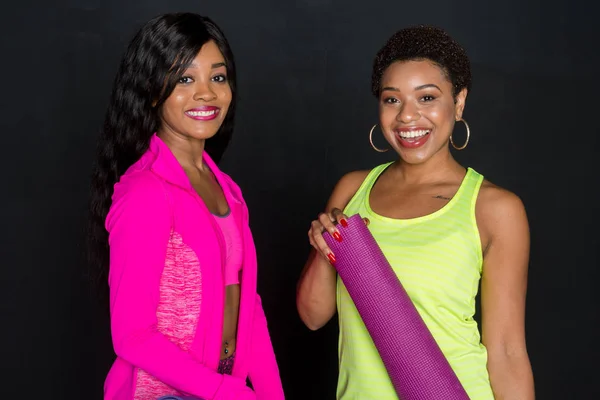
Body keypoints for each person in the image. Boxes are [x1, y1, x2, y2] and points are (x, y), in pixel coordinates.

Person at [296, 25, 534, 399]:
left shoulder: (494, 208)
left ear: (458, 103)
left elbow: (507, 351)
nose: (408, 117)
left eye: (427, 98)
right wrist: (325, 250)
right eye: (392, 100)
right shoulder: (352, 190)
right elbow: (312, 316)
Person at [88, 12, 284, 400]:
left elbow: (249, 311)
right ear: (153, 90)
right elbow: (133, 337)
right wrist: (228, 393)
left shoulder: (227, 191)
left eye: (218, 76)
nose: (206, 93)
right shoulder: (145, 191)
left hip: (224, 388)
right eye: (184, 79)